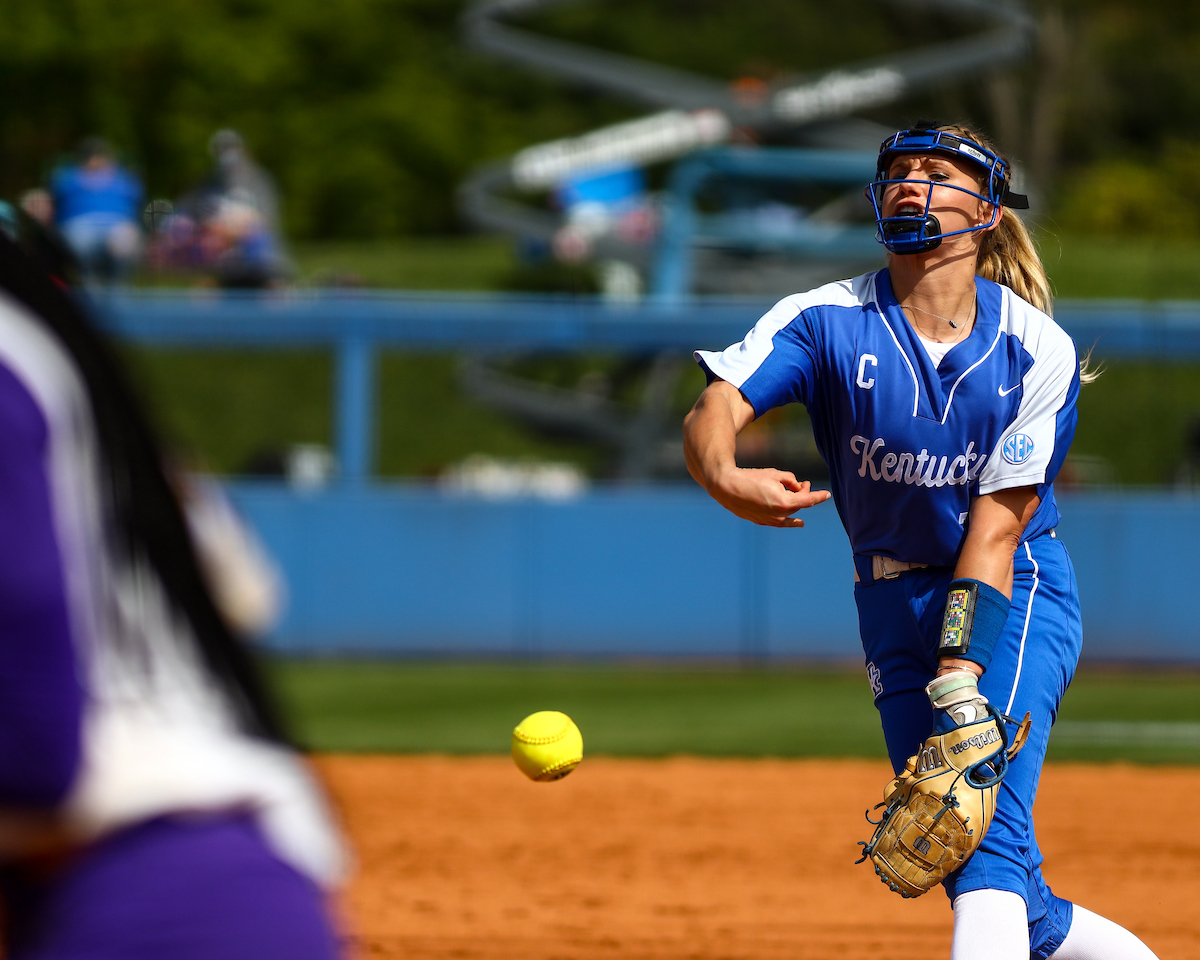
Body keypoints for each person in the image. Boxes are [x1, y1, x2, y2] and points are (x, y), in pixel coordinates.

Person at [682, 124, 1157, 960]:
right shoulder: (826, 319)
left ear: (988, 210)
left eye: (937, 172)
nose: (910, 182)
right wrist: (722, 474)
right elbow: (716, 405)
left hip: (1011, 593)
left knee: (986, 852)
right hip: (888, 603)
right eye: (898, 171)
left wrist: (960, 673)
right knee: (978, 863)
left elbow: (997, 530)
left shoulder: (1034, 348)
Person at [0, 225, 343, 955]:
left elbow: (38, 749)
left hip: (144, 896)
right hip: (224, 866)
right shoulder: (81, 393)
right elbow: (247, 592)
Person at [49, 137, 143, 283]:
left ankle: (118, 289)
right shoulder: (68, 177)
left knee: (125, 239)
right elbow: (55, 196)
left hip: (118, 226)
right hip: (79, 225)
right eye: (91, 155)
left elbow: (137, 199)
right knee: (81, 241)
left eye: (100, 155)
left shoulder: (122, 178)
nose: (96, 160)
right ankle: (89, 285)